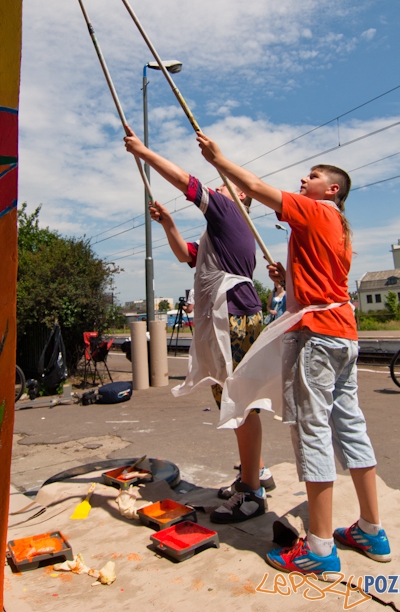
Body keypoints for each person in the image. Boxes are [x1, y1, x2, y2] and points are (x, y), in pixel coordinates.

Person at [196, 131, 391, 578]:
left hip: (318, 338)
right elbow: (323, 279)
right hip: (344, 335)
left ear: (333, 189)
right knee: (350, 427)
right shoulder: (338, 226)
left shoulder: (315, 208)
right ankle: (370, 529)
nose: (305, 179)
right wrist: (287, 278)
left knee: (312, 433)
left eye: (315, 175)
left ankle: (320, 548)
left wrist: (220, 160)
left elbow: (261, 190)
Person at [123, 128, 275, 522]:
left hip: (234, 321)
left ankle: (252, 490)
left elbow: (183, 181)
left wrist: (143, 152)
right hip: (234, 319)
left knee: (240, 405)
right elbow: (183, 255)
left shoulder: (229, 212)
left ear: (242, 195)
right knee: (237, 403)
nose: (217, 188)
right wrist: (169, 222)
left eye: (225, 186)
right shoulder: (220, 232)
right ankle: (254, 473)